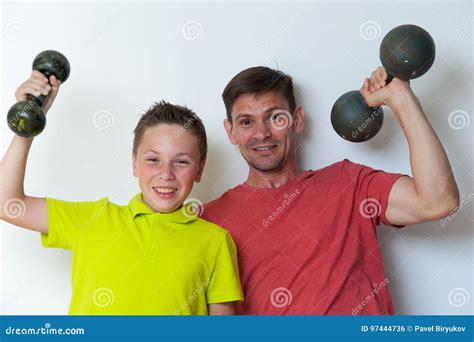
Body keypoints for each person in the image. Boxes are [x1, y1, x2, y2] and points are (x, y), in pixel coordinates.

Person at [201, 66, 460, 315]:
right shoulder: (209, 222)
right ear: (230, 131)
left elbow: (438, 201)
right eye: (246, 122)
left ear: (297, 119)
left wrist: (401, 98)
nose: (262, 133)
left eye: (275, 117)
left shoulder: (348, 183)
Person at [0, 71, 243, 315]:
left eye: (181, 162)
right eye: (153, 159)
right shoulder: (92, 219)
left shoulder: (215, 241)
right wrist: (27, 125)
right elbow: (6, 203)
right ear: (134, 163)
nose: (166, 174)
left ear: (199, 169)